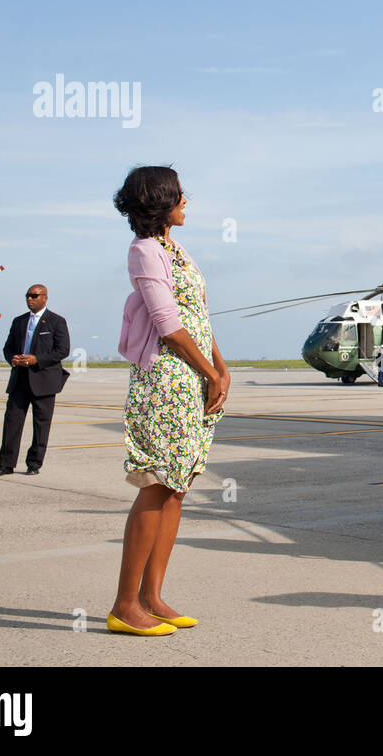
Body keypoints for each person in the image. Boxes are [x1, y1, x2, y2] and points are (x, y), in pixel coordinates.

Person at [109, 166, 229, 637]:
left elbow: (198, 317)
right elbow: (167, 324)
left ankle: (151, 596)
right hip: (166, 381)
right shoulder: (144, 252)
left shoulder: (174, 249)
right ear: (160, 201)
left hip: (193, 378)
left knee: (178, 484)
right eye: (180, 194)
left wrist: (221, 367)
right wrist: (208, 371)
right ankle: (124, 605)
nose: (187, 201)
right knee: (157, 484)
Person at [0, 285, 70, 477]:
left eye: (34, 296)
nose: (29, 299)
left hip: (44, 380)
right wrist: (13, 359)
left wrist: (37, 360)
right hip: (20, 379)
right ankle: (6, 464)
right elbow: (8, 348)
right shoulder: (19, 322)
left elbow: (62, 350)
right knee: (11, 422)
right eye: (27, 296)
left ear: (45, 298)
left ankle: (34, 464)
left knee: (41, 425)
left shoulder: (56, 322)